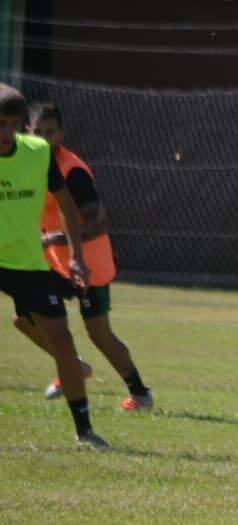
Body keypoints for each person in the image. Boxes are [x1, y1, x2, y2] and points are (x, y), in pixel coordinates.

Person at [12, 102, 153, 412]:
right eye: (38, 132)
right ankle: (72, 366)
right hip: (57, 264)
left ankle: (141, 394)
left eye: (51, 132)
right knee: (23, 318)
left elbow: (97, 222)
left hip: (90, 265)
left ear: (61, 134)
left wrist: (51, 239)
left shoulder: (72, 171)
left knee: (99, 334)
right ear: (26, 132)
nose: (45, 138)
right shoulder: (27, 163)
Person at [0, 84, 109, 449]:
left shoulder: (37, 153)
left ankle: (85, 431)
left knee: (61, 338)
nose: (6, 133)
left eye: (13, 125)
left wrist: (77, 254)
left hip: (26, 261)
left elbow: (66, 205)